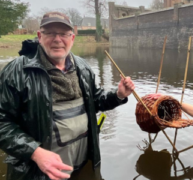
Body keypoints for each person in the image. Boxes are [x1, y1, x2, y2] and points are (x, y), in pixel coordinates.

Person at [0, 12, 135, 180]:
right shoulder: (17, 71)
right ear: (40, 36)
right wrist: (35, 152)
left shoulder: (83, 67)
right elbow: (2, 122)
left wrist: (118, 95)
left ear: (72, 38)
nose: (57, 39)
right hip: (38, 174)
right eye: (50, 33)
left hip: (81, 165)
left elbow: (95, 100)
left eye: (63, 34)